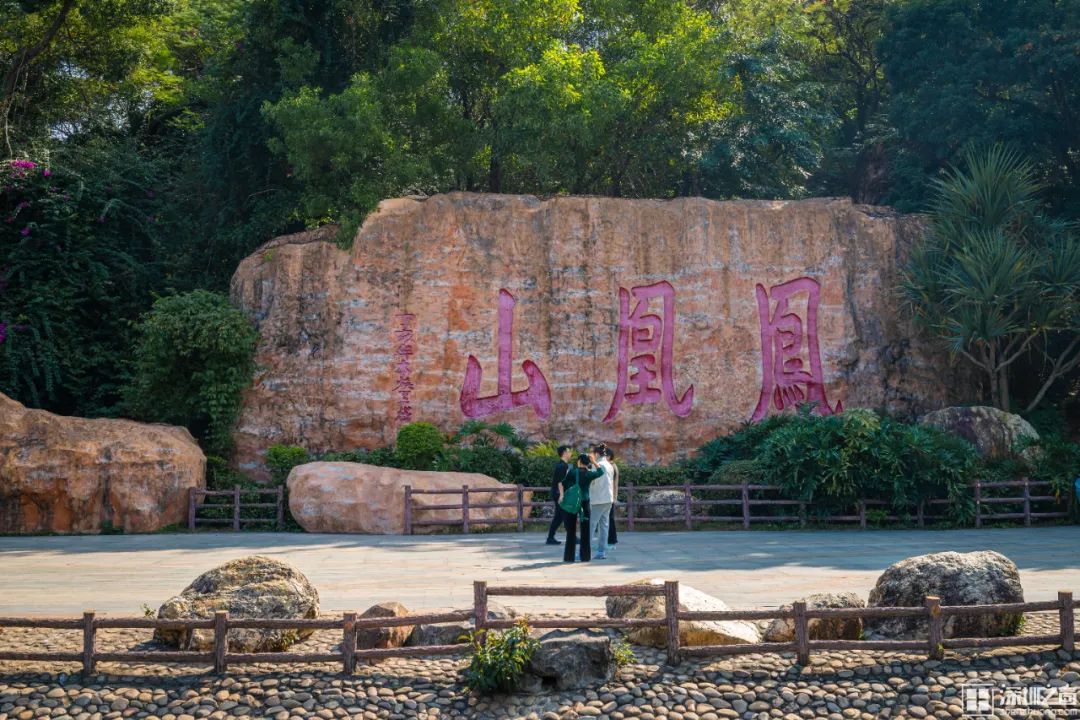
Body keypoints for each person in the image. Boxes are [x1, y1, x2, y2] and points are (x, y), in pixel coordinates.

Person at [561, 451, 604, 563]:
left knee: (571, 530)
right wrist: (594, 461)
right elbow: (601, 472)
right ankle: (585, 557)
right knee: (585, 530)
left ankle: (569, 557)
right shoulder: (589, 474)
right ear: (587, 462)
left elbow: (564, 484)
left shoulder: (572, 472)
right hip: (585, 502)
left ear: (579, 461)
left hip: (573, 502)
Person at [590, 444, 614, 559]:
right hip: (608, 499)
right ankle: (601, 552)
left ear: (597, 454)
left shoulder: (597, 465)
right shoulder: (610, 465)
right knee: (604, 526)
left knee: (590, 526)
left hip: (598, 499)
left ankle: (585, 551)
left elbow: (593, 482)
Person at [546, 445, 573, 545]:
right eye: (569, 451)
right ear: (565, 452)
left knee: (559, 517)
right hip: (559, 494)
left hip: (557, 493)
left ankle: (550, 538)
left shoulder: (562, 465)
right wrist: (562, 496)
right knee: (566, 516)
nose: (571, 453)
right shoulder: (563, 466)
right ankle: (572, 537)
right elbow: (560, 482)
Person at [606, 447, 619, 547]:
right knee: (608, 519)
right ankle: (610, 539)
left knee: (610, 519)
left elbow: (614, 484)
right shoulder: (611, 466)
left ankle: (612, 540)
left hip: (610, 496)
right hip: (609, 496)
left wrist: (614, 497)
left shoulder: (612, 467)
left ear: (609, 456)